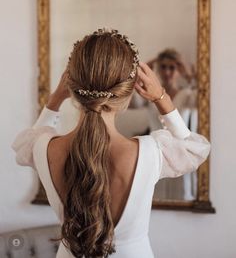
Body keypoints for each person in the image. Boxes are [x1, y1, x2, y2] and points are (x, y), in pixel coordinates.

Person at [11, 28, 211, 258]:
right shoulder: (150, 152)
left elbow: (25, 146)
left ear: (71, 87)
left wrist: (55, 99)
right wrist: (161, 98)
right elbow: (194, 149)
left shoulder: (42, 147)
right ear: (127, 94)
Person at [130, 48, 198, 200]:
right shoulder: (148, 95)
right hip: (155, 154)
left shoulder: (187, 95)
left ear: (179, 69)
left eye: (172, 67)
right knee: (155, 197)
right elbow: (132, 103)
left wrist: (189, 77)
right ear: (157, 69)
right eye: (163, 67)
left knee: (182, 195)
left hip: (181, 156)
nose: (167, 72)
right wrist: (142, 72)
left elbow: (205, 102)